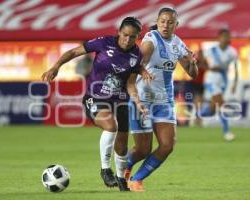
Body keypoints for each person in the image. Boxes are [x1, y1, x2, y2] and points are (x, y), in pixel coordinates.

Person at [41, 17, 151, 191]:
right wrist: (56, 67)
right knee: (110, 125)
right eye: (125, 35)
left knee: (122, 146)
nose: (127, 40)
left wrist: (137, 101)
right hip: (95, 97)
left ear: (138, 37)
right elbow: (73, 53)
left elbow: (130, 82)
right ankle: (105, 169)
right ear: (119, 32)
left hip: (121, 101)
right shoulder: (103, 42)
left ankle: (121, 180)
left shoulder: (136, 54)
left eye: (133, 37)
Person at [126, 8, 198, 192]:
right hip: (142, 99)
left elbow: (192, 74)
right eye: (163, 21)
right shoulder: (150, 41)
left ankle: (136, 179)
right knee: (143, 150)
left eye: (170, 22)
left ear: (176, 24)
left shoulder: (178, 44)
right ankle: (123, 167)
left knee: (167, 145)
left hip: (164, 101)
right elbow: (135, 67)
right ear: (157, 21)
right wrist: (133, 94)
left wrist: (192, 62)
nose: (166, 25)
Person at [199, 28, 238, 141]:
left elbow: (236, 69)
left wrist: (235, 83)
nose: (227, 39)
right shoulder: (211, 50)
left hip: (223, 80)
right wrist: (210, 67)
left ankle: (197, 114)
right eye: (224, 36)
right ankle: (227, 132)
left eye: (228, 36)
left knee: (212, 109)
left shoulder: (232, 52)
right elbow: (201, 64)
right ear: (219, 37)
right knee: (221, 104)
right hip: (211, 78)